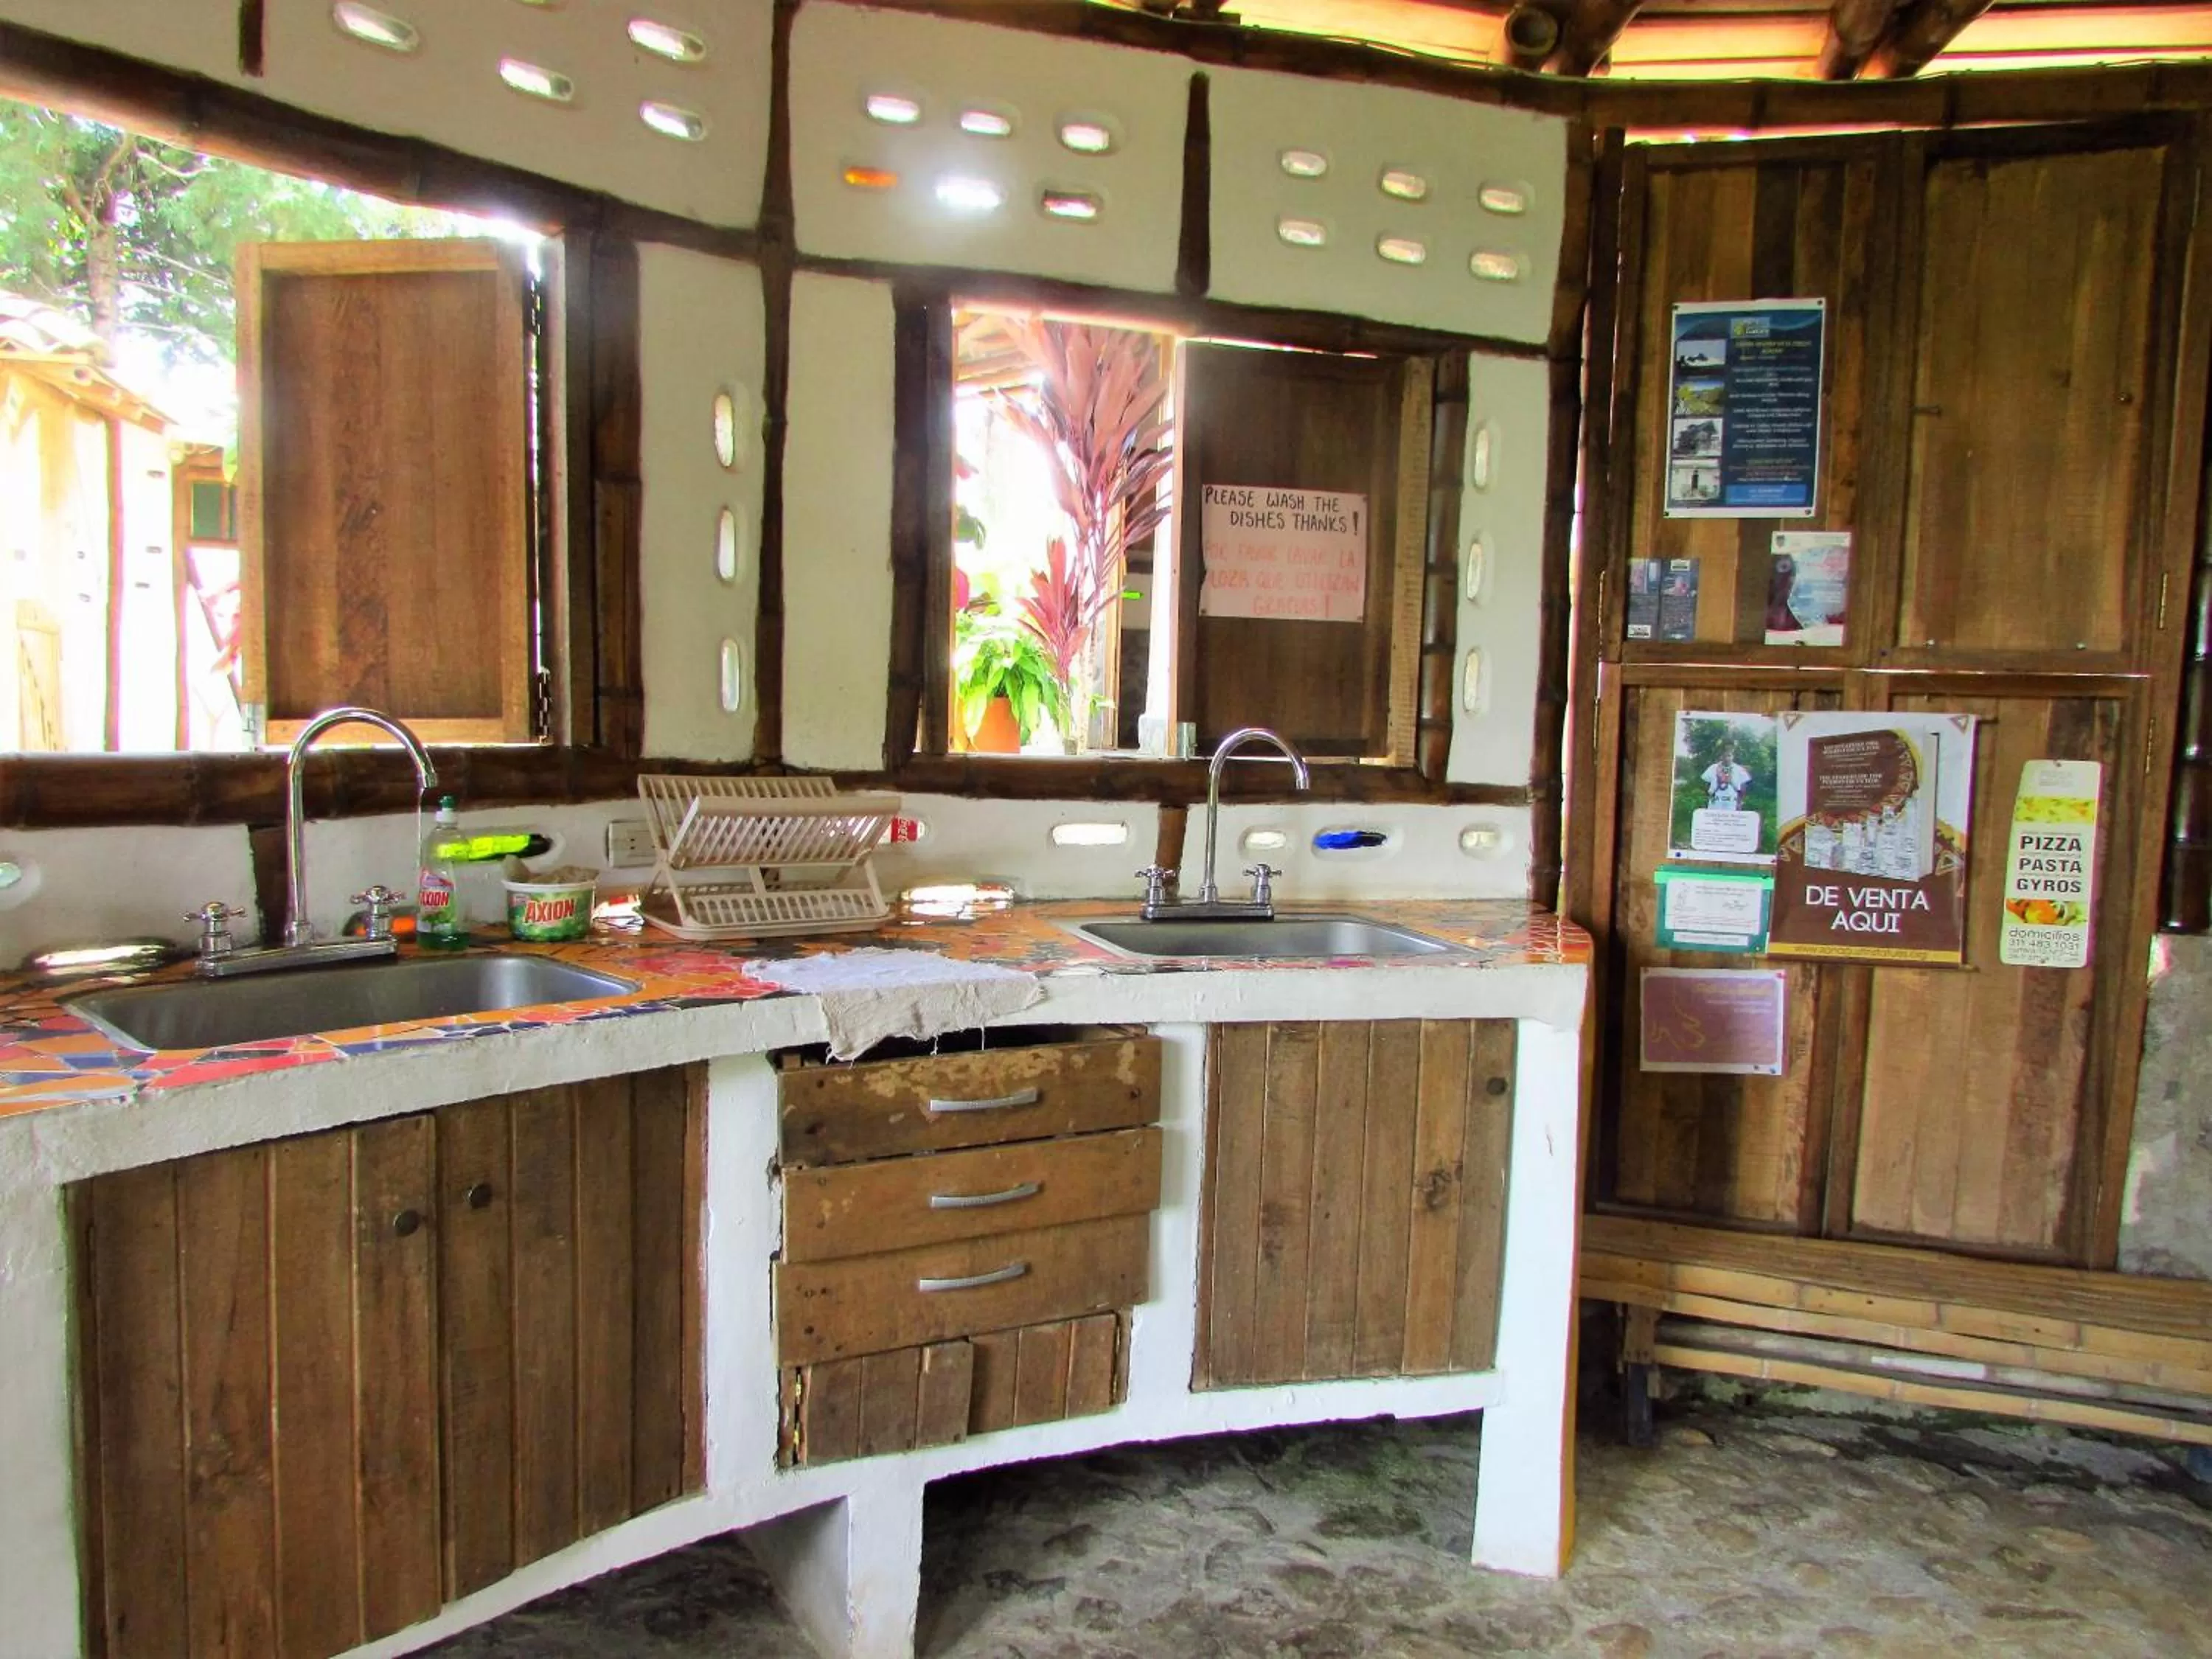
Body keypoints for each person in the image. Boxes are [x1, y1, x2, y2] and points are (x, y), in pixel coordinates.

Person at [1702, 743, 1751, 813]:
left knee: (1730, 822)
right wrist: (1708, 797)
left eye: (1729, 756)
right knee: (1715, 821)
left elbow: (1743, 788)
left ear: (1733, 756)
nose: (1727, 758)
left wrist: (1740, 802)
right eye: (1724, 756)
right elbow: (1706, 784)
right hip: (1716, 802)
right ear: (1721, 757)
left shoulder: (1739, 769)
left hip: (1732, 802)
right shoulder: (1713, 768)